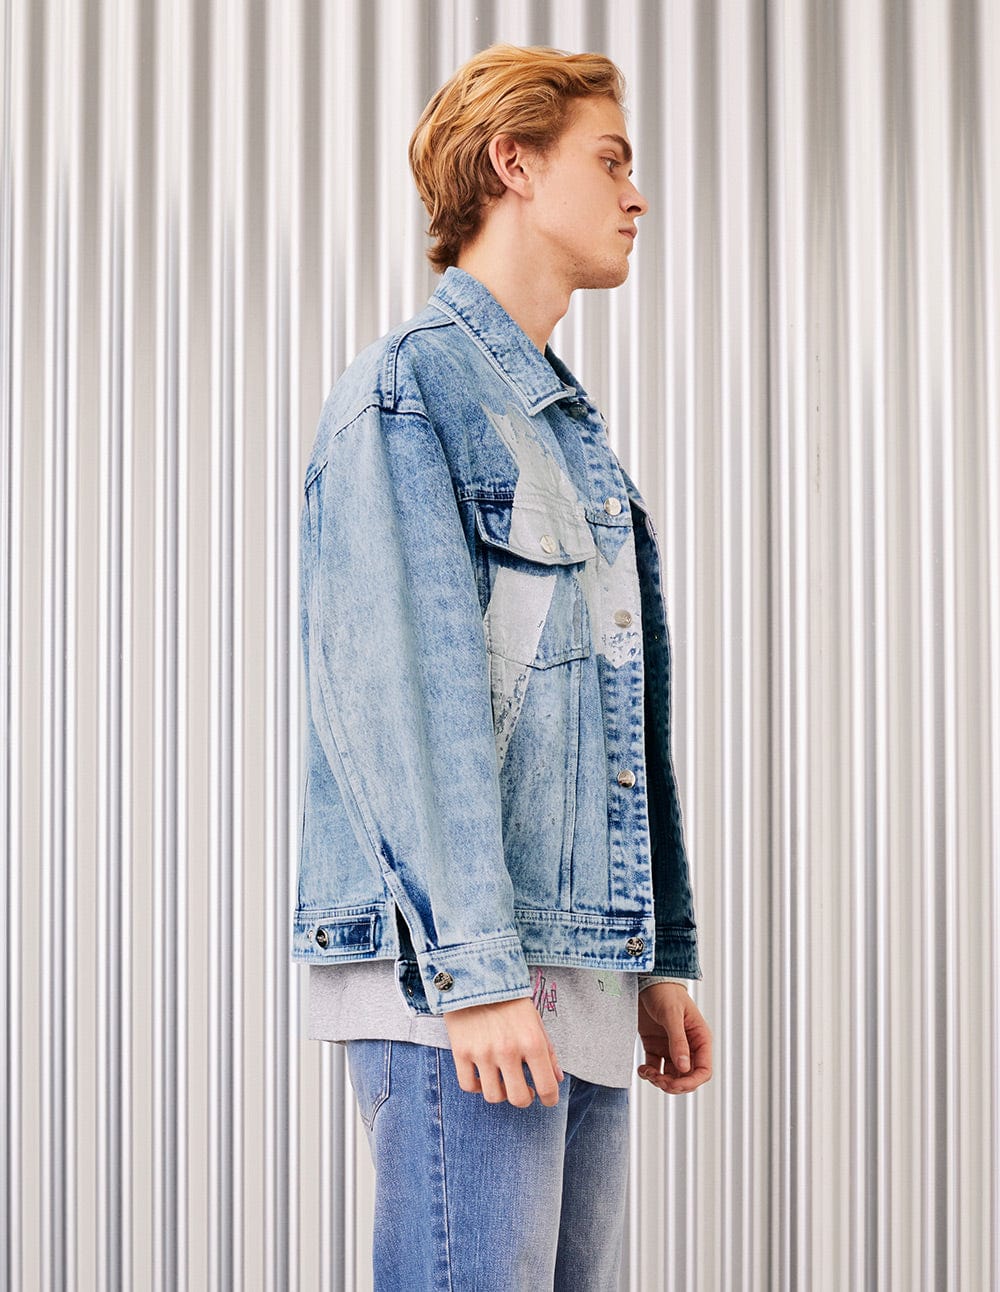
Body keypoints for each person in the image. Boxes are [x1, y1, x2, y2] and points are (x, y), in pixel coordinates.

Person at [293, 43, 712, 1291]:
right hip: (461, 980)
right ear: (513, 163)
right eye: (610, 160)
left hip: (570, 972)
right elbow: (403, 704)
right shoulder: (409, 395)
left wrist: (654, 956)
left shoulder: (570, 439)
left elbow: (615, 722)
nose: (636, 194)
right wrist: (473, 973)